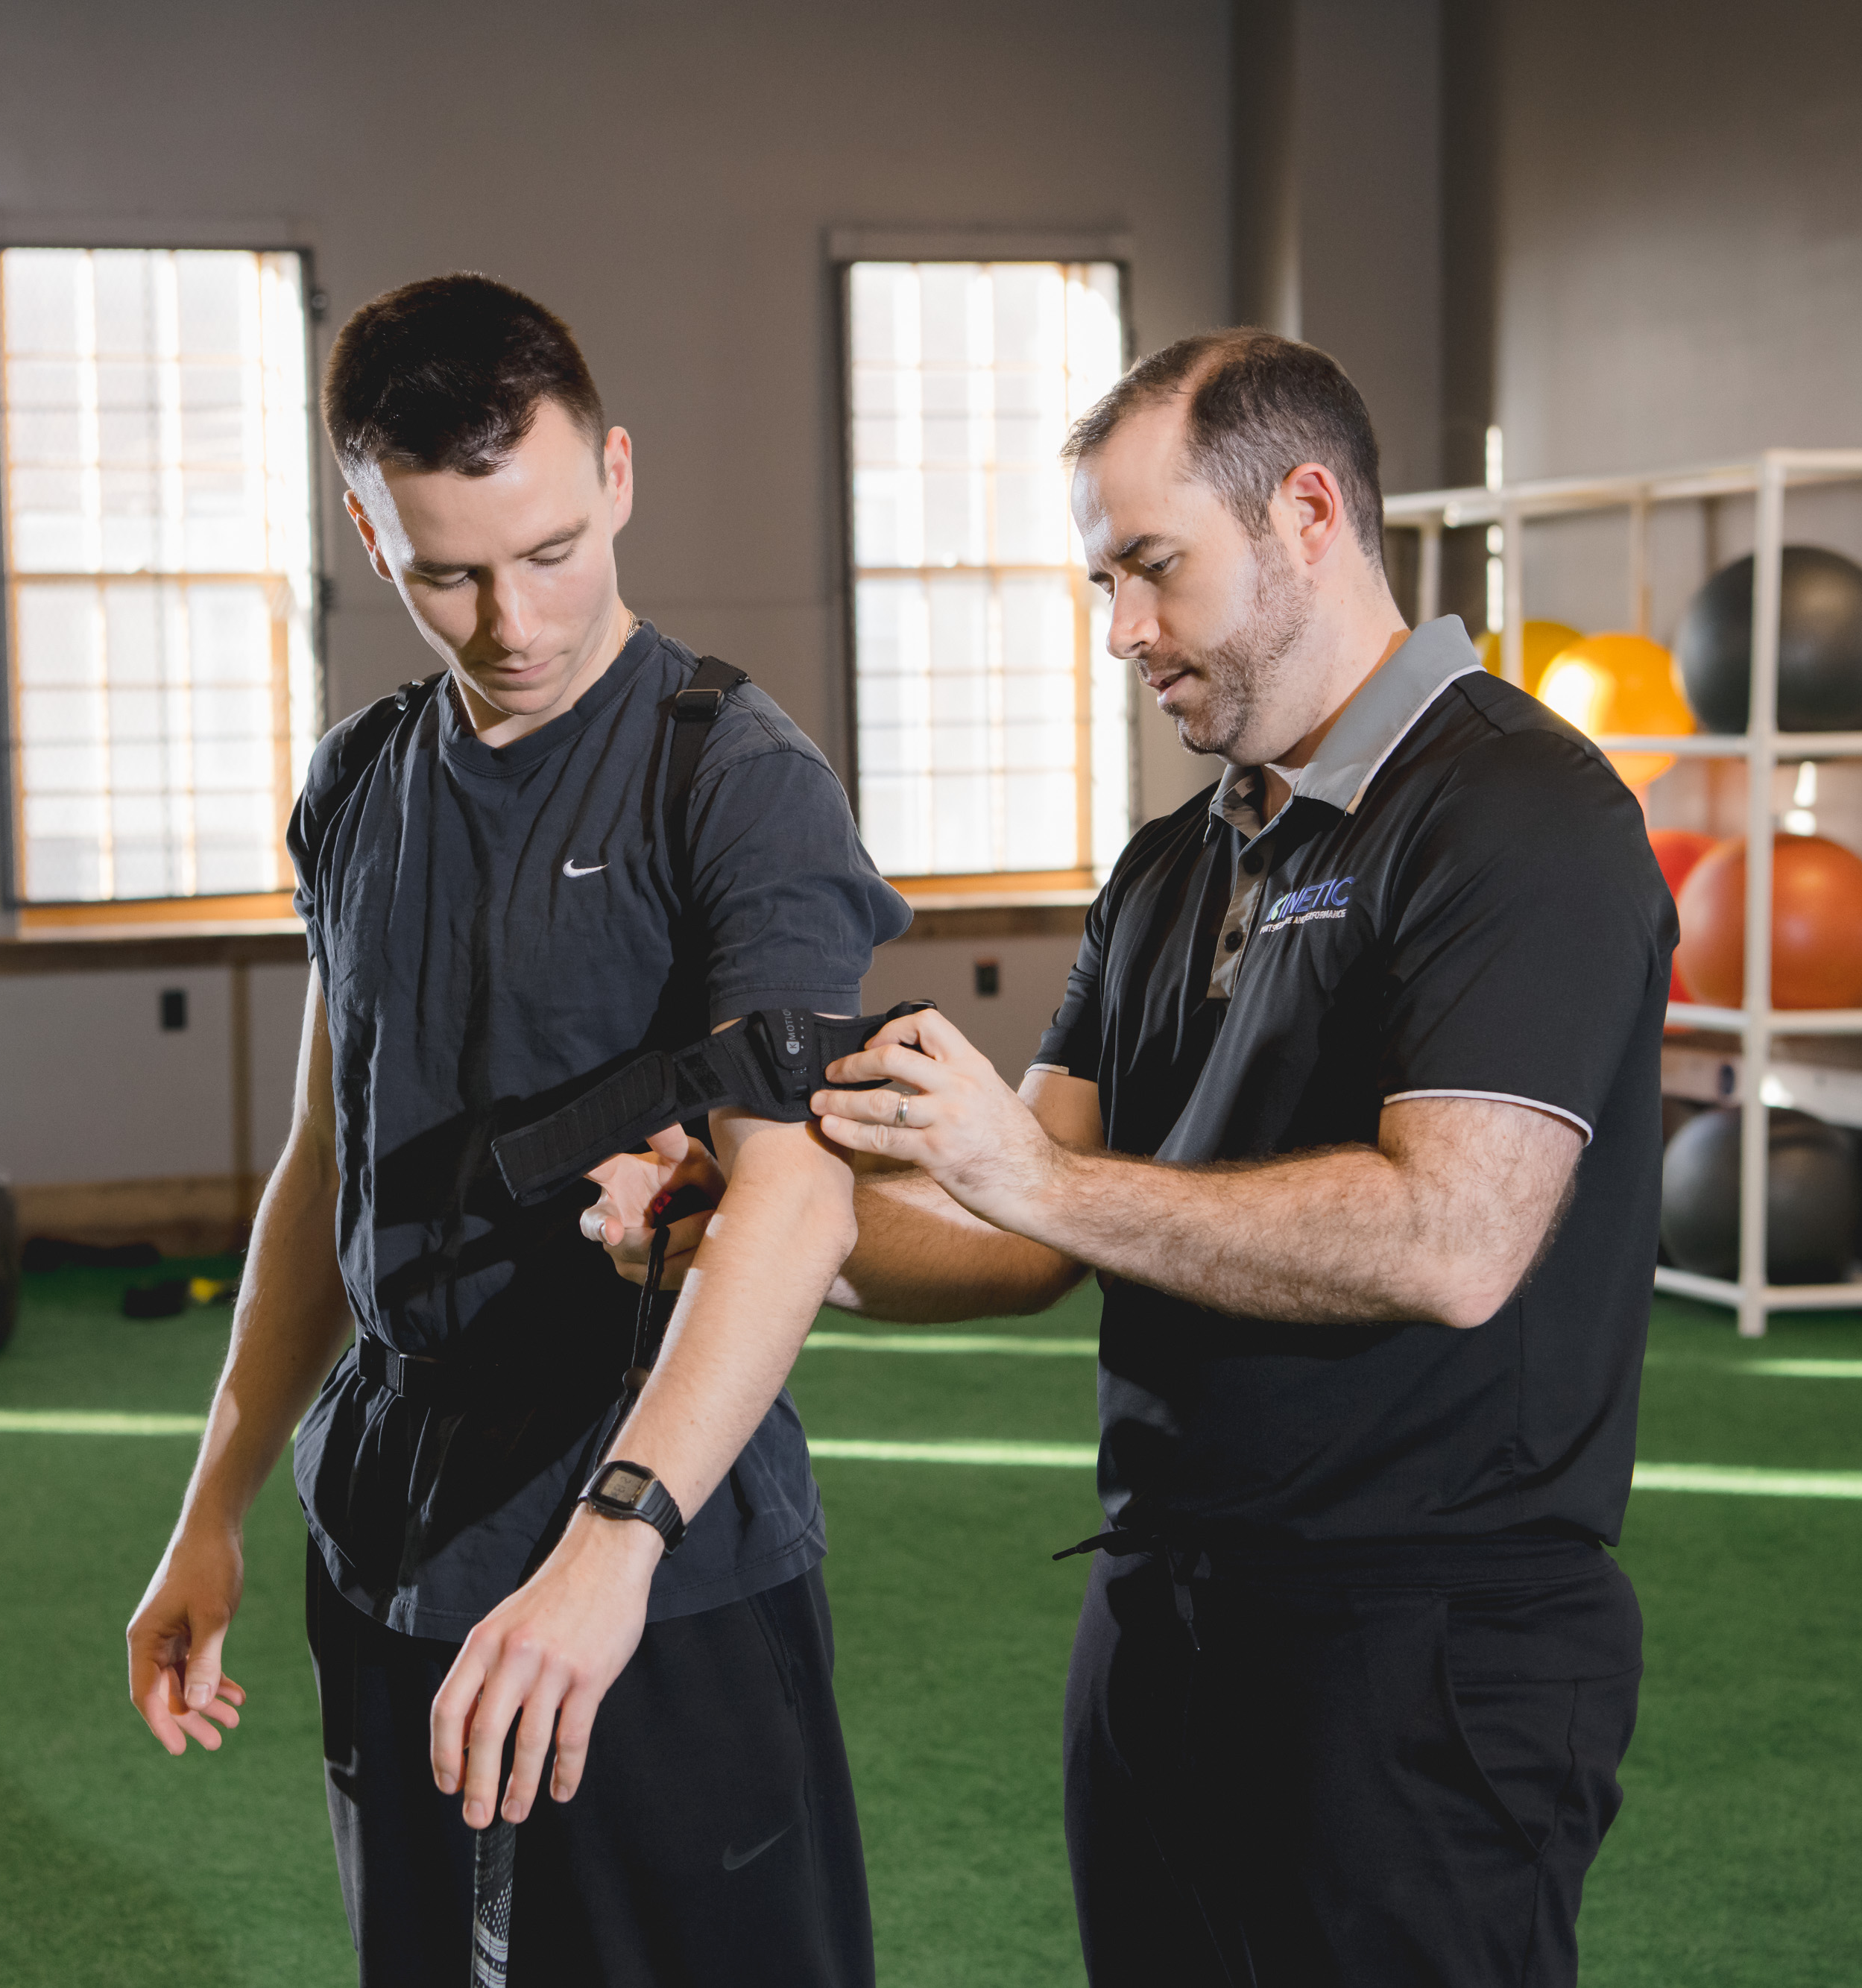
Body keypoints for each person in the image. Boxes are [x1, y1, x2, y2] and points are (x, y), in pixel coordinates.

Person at [596, 329, 1670, 1987]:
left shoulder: (1519, 811)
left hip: (1421, 1636)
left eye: (1151, 571)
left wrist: (1022, 1174)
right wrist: (747, 1220)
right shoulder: (1173, 865)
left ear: (1305, 512)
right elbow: (1017, 1235)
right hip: (1165, 1609)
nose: (1122, 635)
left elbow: (1453, 1235)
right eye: (1103, 583)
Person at [124, 274, 901, 1986]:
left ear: (614, 472)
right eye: (448, 571)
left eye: (550, 549)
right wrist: (216, 1503)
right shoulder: (352, 782)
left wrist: (610, 1547)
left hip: (657, 1551)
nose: (513, 620)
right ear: (364, 526)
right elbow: (328, 1165)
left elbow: (794, 1204)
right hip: (391, 1540)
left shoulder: (733, 775)